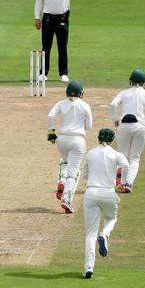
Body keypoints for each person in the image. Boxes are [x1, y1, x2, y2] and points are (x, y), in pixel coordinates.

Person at [82, 128, 129, 279]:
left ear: (98, 138)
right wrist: (122, 183)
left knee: (90, 234)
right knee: (111, 218)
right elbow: (126, 165)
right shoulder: (116, 154)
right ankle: (105, 234)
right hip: (108, 192)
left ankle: (89, 267)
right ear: (112, 140)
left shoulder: (90, 153)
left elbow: (85, 176)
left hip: (91, 193)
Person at [47, 81, 92, 213]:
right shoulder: (85, 105)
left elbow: (50, 115)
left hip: (61, 140)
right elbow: (89, 127)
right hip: (77, 140)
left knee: (65, 162)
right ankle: (66, 200)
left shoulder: (61, 103)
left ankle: (61, 180)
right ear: (80, 93)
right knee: (73, 173)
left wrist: (51, 132)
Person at [110, 69, 145, 193]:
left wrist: (115, 119)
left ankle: (121, 182)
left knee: (123, 156)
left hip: (124, 126)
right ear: (143, 82)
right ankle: (128, 183)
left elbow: (113, 104)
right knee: (135, 158)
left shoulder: (124, 92)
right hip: (140, 127)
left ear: (131, 81)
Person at [34, 0, 74, 83]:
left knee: (62, 47)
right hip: (48, 19)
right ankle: (43, 73)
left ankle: (63, 73)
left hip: (62, 19)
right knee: (46, 47)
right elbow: (39, 2)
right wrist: (37, 18)